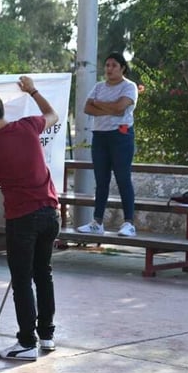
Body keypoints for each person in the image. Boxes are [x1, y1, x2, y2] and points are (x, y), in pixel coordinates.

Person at [0, 77, 60, 361]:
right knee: (44, 275)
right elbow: (53, 115)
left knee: (21, 280)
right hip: (50, 213)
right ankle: (47, 336)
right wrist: (32, 91)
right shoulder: (29, 125)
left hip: (22, 218)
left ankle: (26, 342)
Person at [77, 52, 139, 237]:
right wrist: (110, 107)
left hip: (121, 136)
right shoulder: (98, 87)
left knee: (122, 178)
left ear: (122, 68)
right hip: (100, 136)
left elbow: (121, 108)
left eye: (113, 65)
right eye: (107, 65)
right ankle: (97, 222)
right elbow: (88, 108)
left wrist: (100, 105)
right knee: (101, 181)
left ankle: (129, 223)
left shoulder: (129, 87)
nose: (109, 69)